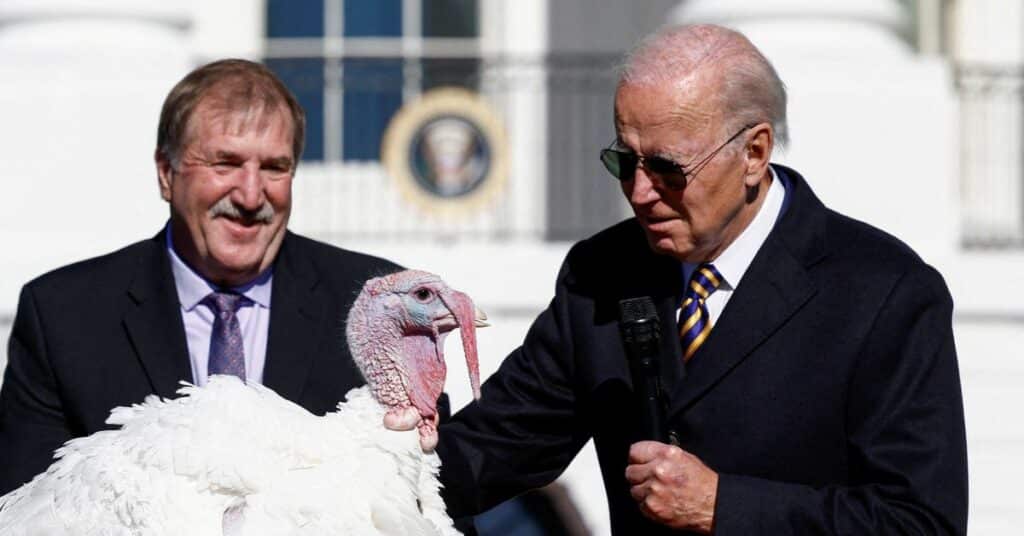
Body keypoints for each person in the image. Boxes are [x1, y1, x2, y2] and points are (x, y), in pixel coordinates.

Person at [432, 24, 968, 534]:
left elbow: (919, 521)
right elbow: (490, 448)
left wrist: (722, 506)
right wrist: (363, 464)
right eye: (625, 162)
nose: (640, 192)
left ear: (754, 154)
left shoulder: (885, 293)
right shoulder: (601, 274)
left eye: (668, 168)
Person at [0, 59, 401, 494]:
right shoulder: (64, 316)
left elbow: (426, 492)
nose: (251, 195)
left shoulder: (373, 307)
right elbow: (25, 506)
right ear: (165, 173)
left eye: (274, 168)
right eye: (225, 164)